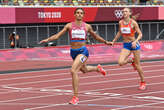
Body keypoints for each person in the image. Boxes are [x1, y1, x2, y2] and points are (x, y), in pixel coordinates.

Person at [40, 8, 111, 105]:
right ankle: (97, 68)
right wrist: (47, 39)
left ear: (83, 15)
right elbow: (57, 35)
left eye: (81, 13)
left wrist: (106, 42)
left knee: (73, 70)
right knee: (84, 70)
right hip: (73, 52)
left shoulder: (87, 26)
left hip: (83, 51)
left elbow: (96, 37)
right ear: (74, 15)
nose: (79, 14)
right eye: (77, 13)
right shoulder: (69, 25)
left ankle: (75, 97)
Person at [109, 7, 146, 90]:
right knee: (120, 62)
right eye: (123, 11)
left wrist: (135, 41)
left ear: (129, 13)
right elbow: (119, 32)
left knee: (138, 65)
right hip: (126, 45)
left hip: (134, 45)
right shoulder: (120, 22)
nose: (124, 12)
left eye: (126, 11)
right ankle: (131, 60)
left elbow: (140, 34)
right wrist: (113, 41)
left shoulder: (133, 23)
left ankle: (143, 82)